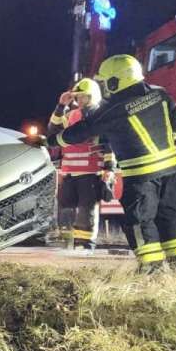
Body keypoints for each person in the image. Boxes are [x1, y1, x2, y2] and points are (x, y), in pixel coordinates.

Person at [56, 54, 176, 271]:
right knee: (170, 216)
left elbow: (81, 131)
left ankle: (151, 267)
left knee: (138, 220)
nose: (105, 87)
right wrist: (166, 146)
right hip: (171, 168)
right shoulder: (160, 94)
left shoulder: (113, 108)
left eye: (106, 82)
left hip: (141, 174)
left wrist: (54, 139)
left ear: (115, 80)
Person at [46, 77, 115, 253]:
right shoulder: (71, 115)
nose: (80, 100)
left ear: (93, 96)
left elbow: (109, 144)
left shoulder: (101, 115)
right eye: (78, 97)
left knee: (87, 210)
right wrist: (61, 106)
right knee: (66, 207)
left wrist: (109, 168)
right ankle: (69, 243)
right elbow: (53, 132)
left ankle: (85, 246)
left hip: (91, 172)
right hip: (70, 172)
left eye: (84, 96)